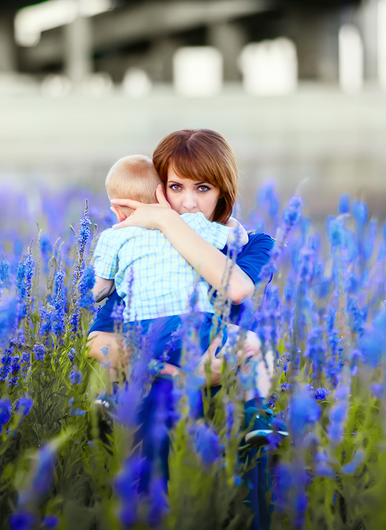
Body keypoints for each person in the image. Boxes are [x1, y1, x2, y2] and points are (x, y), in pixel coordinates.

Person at [86, 130, 279, 530]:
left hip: (231, 419)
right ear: (159, 189)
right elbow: (99, 341)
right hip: (160, 413)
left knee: (237, 513)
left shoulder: (252, 244)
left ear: (223, 191)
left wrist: (166, 220)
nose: (188, 202)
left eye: (203, 188)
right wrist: (170, 370)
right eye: (176, 187)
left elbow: (235, 286)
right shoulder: (140, 249)